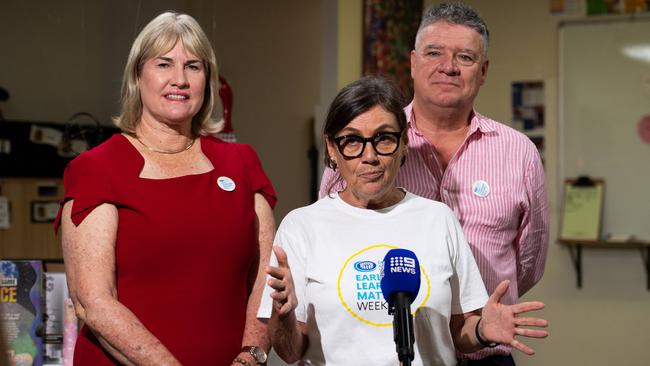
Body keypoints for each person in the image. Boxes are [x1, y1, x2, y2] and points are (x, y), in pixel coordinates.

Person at [259, 76, 547, 366]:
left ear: (404, 144)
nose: (369, 156)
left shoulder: (438, 219)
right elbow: (290, 351)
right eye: (352, 141)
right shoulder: (301, 227)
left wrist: (483, 331)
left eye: (383, 138)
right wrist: (282, 316)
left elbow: (460, 331)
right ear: (332, 149)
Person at [320, 4, 549, 364]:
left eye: (465, 56)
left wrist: (476, 312)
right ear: (413, 62)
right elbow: (329, 236)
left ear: (484, 69)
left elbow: (529, 263)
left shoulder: (519, 153)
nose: (449, 66)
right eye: (434, 53)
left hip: (486, 353)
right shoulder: (365, 146)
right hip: (390, 353)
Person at [54, 12, 276, 366]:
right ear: (137, 77)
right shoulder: (96, 170)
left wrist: (250, 356)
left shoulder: (242, 163)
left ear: (208, 79)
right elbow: (93, 302)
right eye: (164, 64)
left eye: (193, 66)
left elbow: (267, 278)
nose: (180, 79)